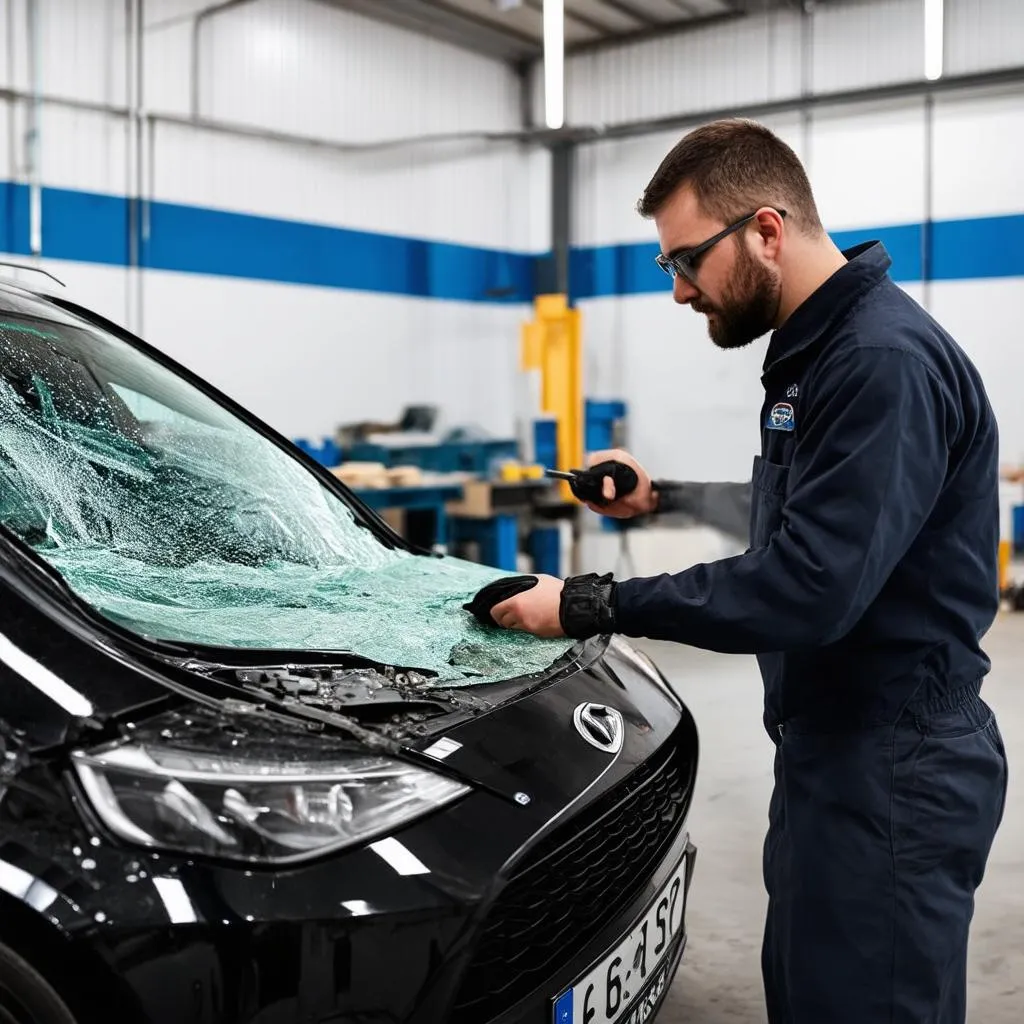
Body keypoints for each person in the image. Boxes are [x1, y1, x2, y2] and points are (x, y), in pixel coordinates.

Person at [483, 118, 1008, 1024]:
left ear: (766, 230)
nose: (681, 292)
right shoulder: (826, 349)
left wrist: (586, 603)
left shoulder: (877, 361)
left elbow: (810, 585)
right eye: (667, 268)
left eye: (687, 260)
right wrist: (664, 499)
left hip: (891, 763)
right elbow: (828, 506)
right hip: (838, 750)